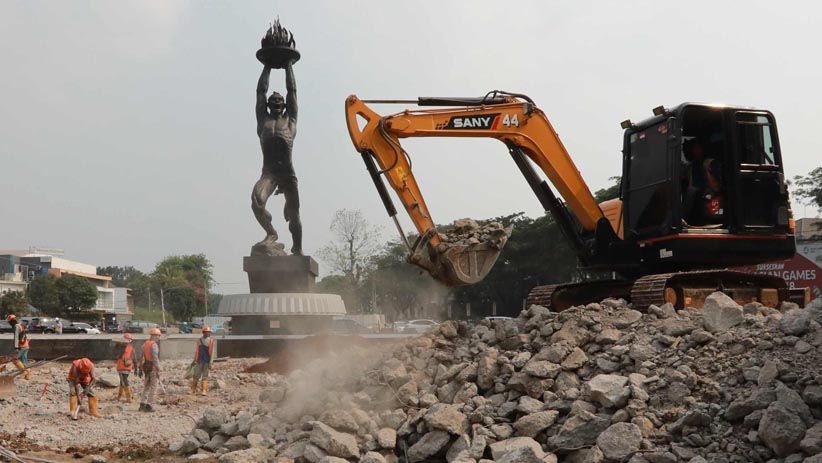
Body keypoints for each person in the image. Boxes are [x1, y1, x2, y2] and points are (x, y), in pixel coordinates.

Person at [252, 60, 302, 256]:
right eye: (272, 101)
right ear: (268, 104)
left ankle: (297, 248)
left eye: (280, 100)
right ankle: (271, 233)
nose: (276, 102)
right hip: (269, 174)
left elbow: (292, 91)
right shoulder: (263, 121)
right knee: (257, 202)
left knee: (294, 215)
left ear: (284, 104)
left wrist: (288, 65)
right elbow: (260, 91)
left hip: (288, 175)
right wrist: (267, 65)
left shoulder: (290, 121)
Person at [682, 139, 723, 226]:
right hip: (697, 205)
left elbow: (720, 185)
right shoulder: (689, 168)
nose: (696, 151)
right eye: (694, 148)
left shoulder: (711, 163)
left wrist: (708, 196)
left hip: (714, 202)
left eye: (698, 148)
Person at [139, 327, 162, 412]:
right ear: (155, 336)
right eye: (158, 336)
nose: (159, 338)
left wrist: (140, 367)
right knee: (154, 387)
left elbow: (141, 357)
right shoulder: (154, 345)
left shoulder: (145, 344)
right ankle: (149, 405)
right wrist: (158, 368)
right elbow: (155, 358)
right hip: (153, 368)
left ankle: (142, 404)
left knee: (147, 386)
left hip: (146, 367)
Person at [190, 325, 216, 396]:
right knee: (196, 375)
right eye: (207, 332)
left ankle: (204, 390)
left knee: (205, 376)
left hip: (207, 361)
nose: (208, 333)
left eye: (209, 332)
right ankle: (193, 389)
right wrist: (194, 360)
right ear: (204, 332)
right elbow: (197, 351)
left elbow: (212, 352)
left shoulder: (211, 340)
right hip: (199, 361)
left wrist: (211, 362)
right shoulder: (199, 340)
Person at [6, 314, 31, 380]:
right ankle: (28, 375)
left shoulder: (16, 326)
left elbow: (16, 337)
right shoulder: (20, 325)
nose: (9, 323)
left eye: (9, 322)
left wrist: (16, 348)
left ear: (12, 321)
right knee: (24, 361)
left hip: (21, 346)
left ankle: (24, 372)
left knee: (15, 359)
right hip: (26, 346)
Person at [115, 333, 138, 403]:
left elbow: (134, 358)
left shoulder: (121, 347)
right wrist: (136, 369)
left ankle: (128, 398)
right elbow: (135, 359)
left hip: (123, 367)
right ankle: (119, 397)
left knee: (124, 382)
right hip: (125, 367)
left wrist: (136, 369)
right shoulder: (124, 347)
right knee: (122, 382)